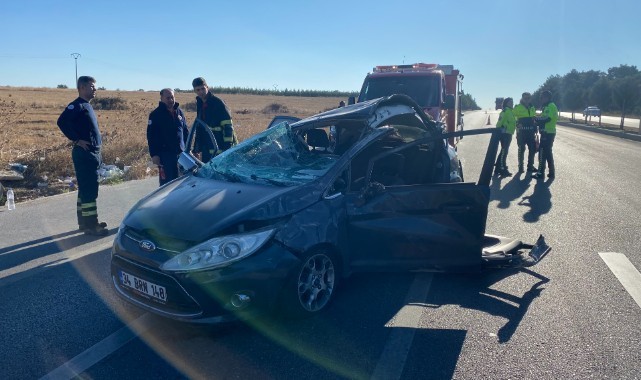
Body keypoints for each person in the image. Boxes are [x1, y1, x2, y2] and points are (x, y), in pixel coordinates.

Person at [56, 76, 108, 236]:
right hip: (85, 154)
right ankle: (92, 225)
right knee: (90, 189)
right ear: (82, 88)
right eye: (92, 86)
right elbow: (62, 122)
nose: (95, 89)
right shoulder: (76, 105)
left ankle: (84, 223)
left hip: (92, 153)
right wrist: (77, 139)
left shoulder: (87, 106)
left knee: (85, 189)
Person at [147, 88, 189, 186]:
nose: (170, 100)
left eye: (172, 97)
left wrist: (188, 149)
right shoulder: (155, 115)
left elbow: (185, 132)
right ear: (161, 98)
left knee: (183, 183)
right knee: (167, 184)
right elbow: (151, 136)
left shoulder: (179, 112)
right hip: (165, 156)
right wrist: (154, 154)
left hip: (181, 154)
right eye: (168, 98)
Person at [192, 77, 237, 162]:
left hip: (221, 148)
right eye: (198, 90)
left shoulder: (218, 103)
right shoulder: (200, 103)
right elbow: (200, 127)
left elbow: (228, 126)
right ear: (195, 91)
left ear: (207, 87)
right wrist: (196, 148)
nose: (201, 92)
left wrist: (227, 148)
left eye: (203, 88)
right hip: (207, 148)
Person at [532, 90, 558, 179]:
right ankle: (551, 172)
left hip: (547, 133)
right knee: (548, 153)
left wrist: (536, 119)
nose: (541, 99)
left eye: (542, 97)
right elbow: (543, 118)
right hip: (547, 132)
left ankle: (540, 173)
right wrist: (538, 121)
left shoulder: (550, 106)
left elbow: (547, 118)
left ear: (547, 97)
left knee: (542, 153)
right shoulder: (547, 106)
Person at [513, 92, 538, 173]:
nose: (527, 99)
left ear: (530, 98)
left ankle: (530, 166)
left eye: (528, 98)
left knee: (532, 149)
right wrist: (517, 123)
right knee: (521, 149)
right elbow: (513, 117)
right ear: (522, 98)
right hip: (521, 132)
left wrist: (535, 127)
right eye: (525, 98)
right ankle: (520, 167)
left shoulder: (532, 107)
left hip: (531, 132)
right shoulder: (518, 107)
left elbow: (533, 118)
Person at [494, 97, 516, 176]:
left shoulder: (510, 111)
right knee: (504, 152)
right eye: (510, 102)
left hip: (509, 133)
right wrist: (497, 133)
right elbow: (499, 123)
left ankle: (497, 169)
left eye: (512, 102)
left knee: (503, 152)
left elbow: (512, 122)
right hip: (505, 134)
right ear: (506, 103)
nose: (512, 103)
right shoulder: (505, 111)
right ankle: (503, 170)